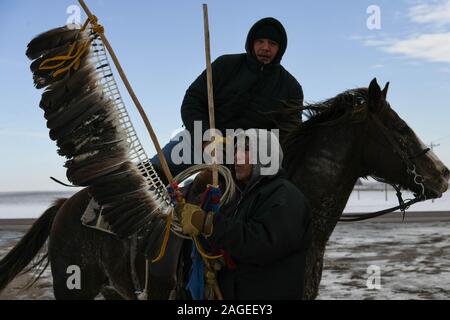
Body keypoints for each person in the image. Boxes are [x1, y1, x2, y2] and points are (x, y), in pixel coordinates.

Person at [151, 17, 304, 178]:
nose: (265, 48)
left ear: (280, 49)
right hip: (199, 140)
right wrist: (205, 137)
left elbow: (287, 134)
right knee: (152, 175)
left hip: (247, 158)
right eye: (260, 41)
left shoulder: (291, 88)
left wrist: (249, 153)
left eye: (272, 44)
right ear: (252, 43)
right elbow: (193, 101)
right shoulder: (225, 65)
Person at [176, 129, 312, 300]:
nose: (237, 157)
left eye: (246, 150)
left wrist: (209, 224)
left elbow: (259, 245)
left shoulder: (286, 196)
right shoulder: (246, 196)